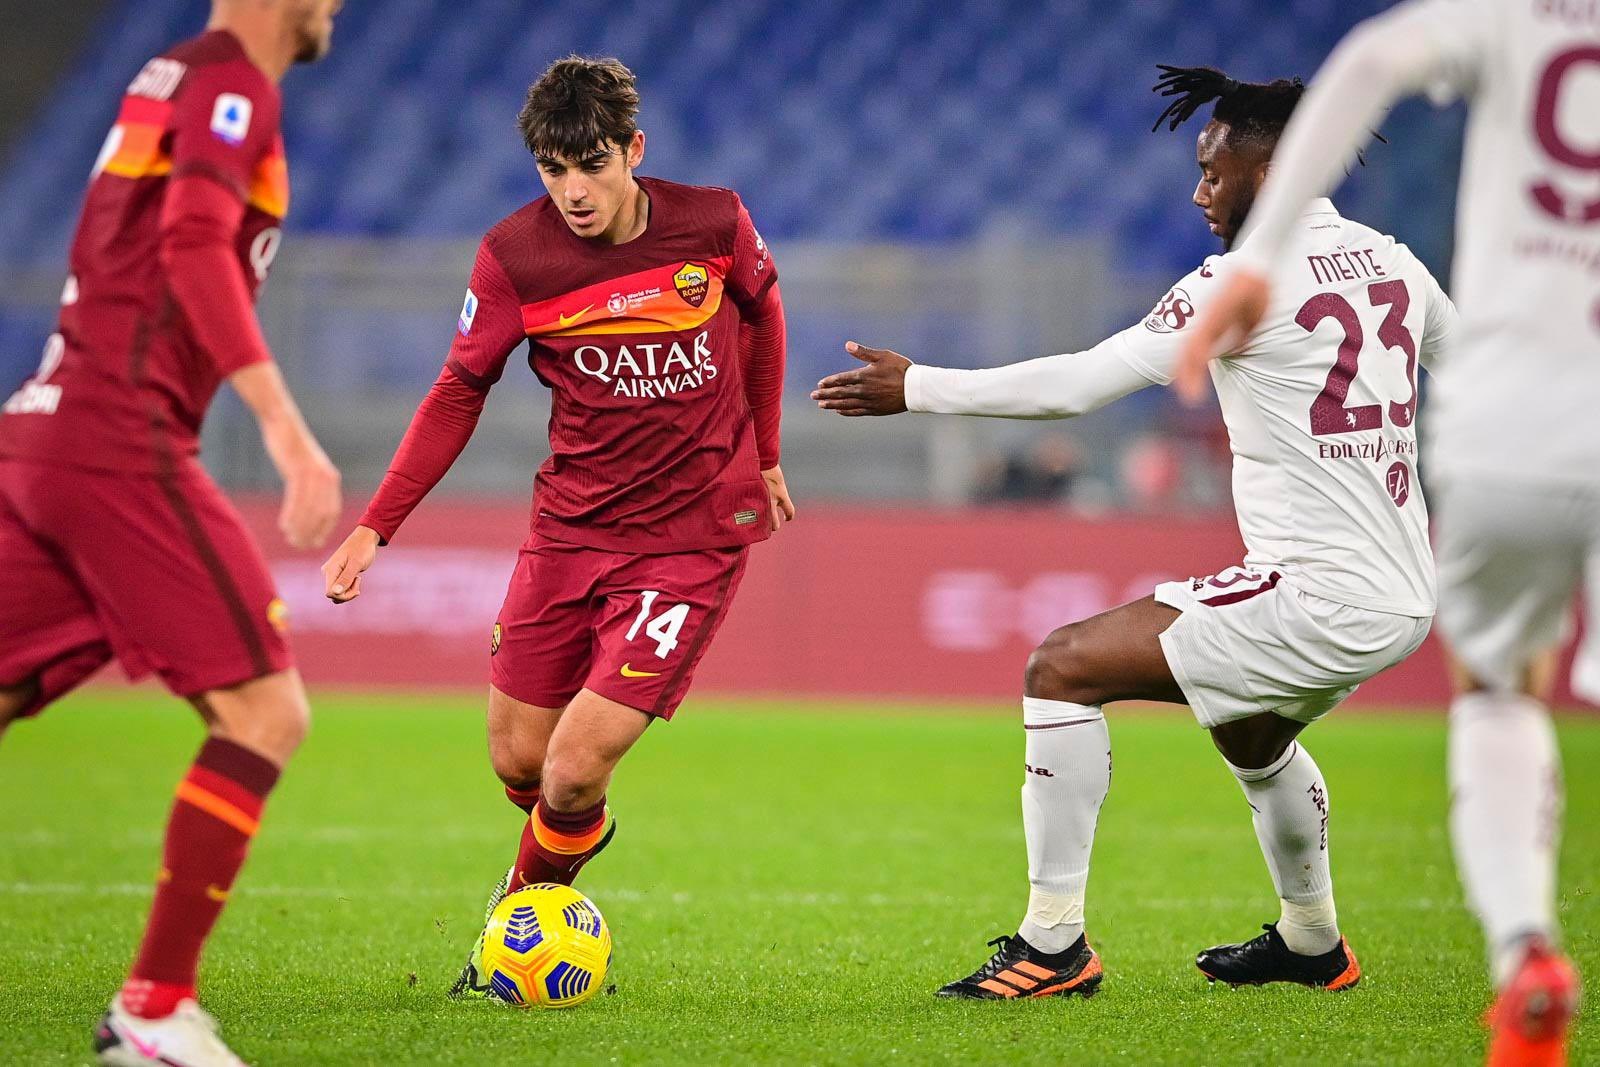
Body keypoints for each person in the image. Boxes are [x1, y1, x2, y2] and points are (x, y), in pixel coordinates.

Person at [814, 66, 1456, 1001]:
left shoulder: (1241, 281)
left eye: (1214, 170)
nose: (1199, 191)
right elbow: (1472, 365)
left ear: (1272, 172)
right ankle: (1312, 942)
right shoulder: (1394, 261)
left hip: (1322, 591)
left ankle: (1053, 945)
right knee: (1249, 729)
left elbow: (1079, 385)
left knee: (1062, 665)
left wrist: (916, 386)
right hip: (1401, 588)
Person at [318, 55, 792, 999]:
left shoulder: (712, 221)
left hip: (690, 539)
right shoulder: (513, 258)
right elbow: (459, 390)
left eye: (593, 165)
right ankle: (548, 875)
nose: (574, 191)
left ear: (634, 151)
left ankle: (514, 924)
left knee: (572, 771)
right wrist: (377, 525)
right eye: (553, 169)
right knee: (519, 760)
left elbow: (761, 313)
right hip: (570, 530)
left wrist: (766, 451)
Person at [1175, 6, 1591, 1063]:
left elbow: (1368, 60)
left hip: (1520, 408)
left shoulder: (1520, 19)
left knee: (1501, 684)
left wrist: (1264, 255)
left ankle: (1525, 950)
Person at [0, 1, 343, 1063]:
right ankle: (153, 1009)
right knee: (264, 710)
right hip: (120, 439)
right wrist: (286, 429)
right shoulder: (235, 84)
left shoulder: (165, 77)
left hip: (43, 430)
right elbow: (194, 241)